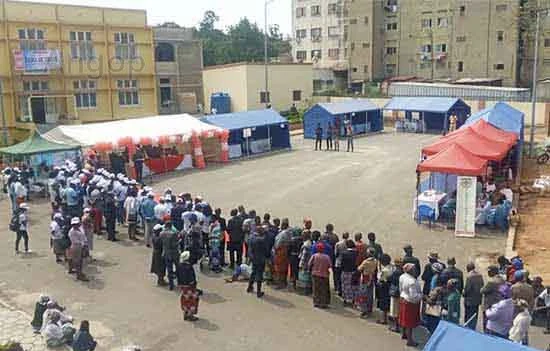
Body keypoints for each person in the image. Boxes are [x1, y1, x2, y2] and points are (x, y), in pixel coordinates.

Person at [399, 263, 422, 347]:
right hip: (411, 303)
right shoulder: (412, 281)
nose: (416, 271)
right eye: (414, 269)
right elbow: (414, 296)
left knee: (404, 318)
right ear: (411, 271)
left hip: (403, 298)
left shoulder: (402, 276)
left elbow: (400, 288)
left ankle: (404, 334)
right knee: (410, 322)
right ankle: (410, 340)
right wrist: (421, 296)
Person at [247, 225, 270, 298]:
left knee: (253, 272)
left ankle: (249, 287)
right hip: (260, 259)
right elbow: (266, 250)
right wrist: (267, 257)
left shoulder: (252, 238)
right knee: (259, 275)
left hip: (254, 258)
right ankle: (258, 292)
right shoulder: (262, 240)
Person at [176, 251, 200, 321]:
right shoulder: (189, 267)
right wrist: (194, 284)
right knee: (192, 301)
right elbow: (192, 277)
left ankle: (185, 314)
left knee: (185, 300)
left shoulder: (179, 265)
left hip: (183, 286)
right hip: (190, 286)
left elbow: (177, 275)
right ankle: (190, 315)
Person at [481, 265, 506, 332]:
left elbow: (482, 290)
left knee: (486, 325)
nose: (488, 273)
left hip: (489, 306)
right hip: (499, 305)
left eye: (489, 271)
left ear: (493, 272)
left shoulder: (491, 282)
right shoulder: (502, 280)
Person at [308, 242, 332, 309]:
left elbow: (309, 264)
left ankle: (316, 302)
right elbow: (330, 265)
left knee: (316, 289)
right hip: (324, 275)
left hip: (315, 274)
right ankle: (323, 303)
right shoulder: (327, 257)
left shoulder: (314, 256)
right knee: (323, 289)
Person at [356, 248, 378, 317]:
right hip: (371, 279)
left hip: (365, 278)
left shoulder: (365, 262)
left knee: (363, 294)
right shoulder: (375, 261)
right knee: (370, 294)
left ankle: (364, 310)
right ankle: (369, 309)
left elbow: (359, 269)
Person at [463, 262, 484, 330]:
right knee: (475, 315)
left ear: (468, 269)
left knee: (468, 316)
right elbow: (482, 286)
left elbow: (467, 289)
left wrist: (463, 293)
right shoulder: (480, 275)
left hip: (469, 301)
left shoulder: (469, 276)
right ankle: (473, 328)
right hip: (477, 300)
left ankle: (467, 329)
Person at [160, 219, 180, 290]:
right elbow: (175, 244)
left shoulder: (161, 233)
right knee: (178, 268)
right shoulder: (173, 234)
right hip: (174, 253)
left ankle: (171, 285)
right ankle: (179, 282)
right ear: (171, 226)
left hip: (166, 253)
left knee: (169, 269)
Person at [273, 218, 292, 289]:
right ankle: (284, 282)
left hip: (281, 251)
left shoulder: (283, 233)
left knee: (279, 268)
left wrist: (275, 249)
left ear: (284, 225)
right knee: (284, 267)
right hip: (286, 251)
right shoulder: (289, 232)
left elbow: (277, 244)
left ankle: (280, 284)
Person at [68, 217, 89, 281]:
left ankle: (79, 273)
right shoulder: (72, 232)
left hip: (81, 246)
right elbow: (77, 241)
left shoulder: (80, 228)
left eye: (76, 223)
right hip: (76, 247)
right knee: (78, 262)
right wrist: (83, 246)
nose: (75, 225)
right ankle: (79, 275)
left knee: (80, 261)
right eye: (74, 224)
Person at [376, 253, 393, 325]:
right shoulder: (392, 267)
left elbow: (380, 278)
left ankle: (383, 319)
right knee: (387, 302)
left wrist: (379, 269)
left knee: (382, 303)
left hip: (383, 287)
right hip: (389, 286)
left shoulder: (384, 270)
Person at [388, 257, 403, 333]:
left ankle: (396, 327)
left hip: (395, 292)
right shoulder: (403, 272)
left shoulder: (396, 272)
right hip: (401, 292)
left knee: (395, 310)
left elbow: (389, 279)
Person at [340, 239, 357, 305]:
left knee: (345, 286)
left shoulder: (344, 253)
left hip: (345, 271)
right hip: (353, 271)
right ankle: (353, 300)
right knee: (353, 286)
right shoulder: (356, 253)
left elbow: (342, 263)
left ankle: (345, 299)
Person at [297, 229, 313, 295]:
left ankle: (305, 291)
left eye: (303, 235)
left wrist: (301, 264)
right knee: (307, 277)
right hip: (309, 263)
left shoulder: (306, 245)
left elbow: (304, 256)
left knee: (304, 278)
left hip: (305, 264)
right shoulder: (310, 243)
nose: (302, 236)